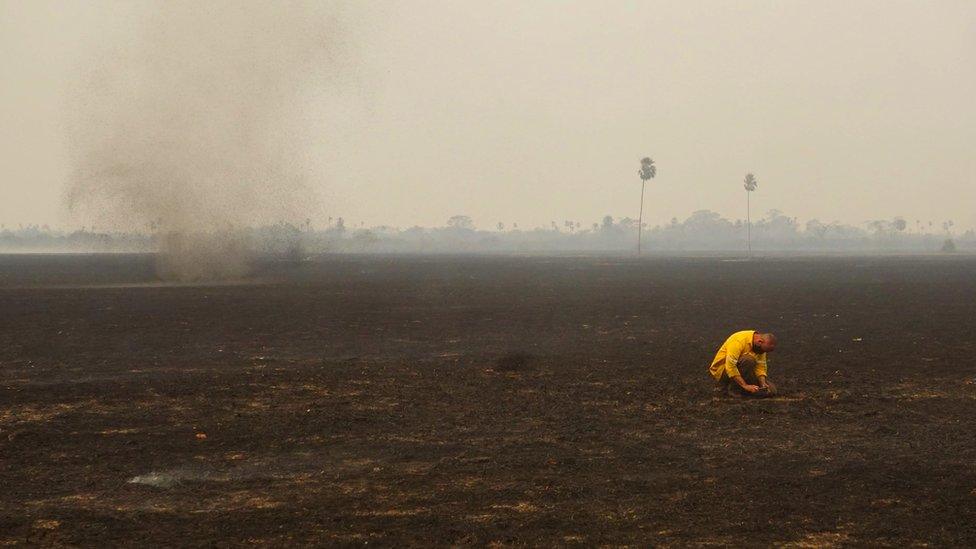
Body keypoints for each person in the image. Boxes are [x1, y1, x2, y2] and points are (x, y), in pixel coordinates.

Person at [708, 330, 777, 397]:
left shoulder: (760, 347)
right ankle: (734, 389)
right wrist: (745, 386)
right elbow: (730, 367)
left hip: (744, 372)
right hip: (724, 370)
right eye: (763, 350)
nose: (763, 353)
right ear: (759, 342)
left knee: (771, 390)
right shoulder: (738, 341)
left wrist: (763, 383)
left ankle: (745, 389)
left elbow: (760, 366)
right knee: (748, 360)